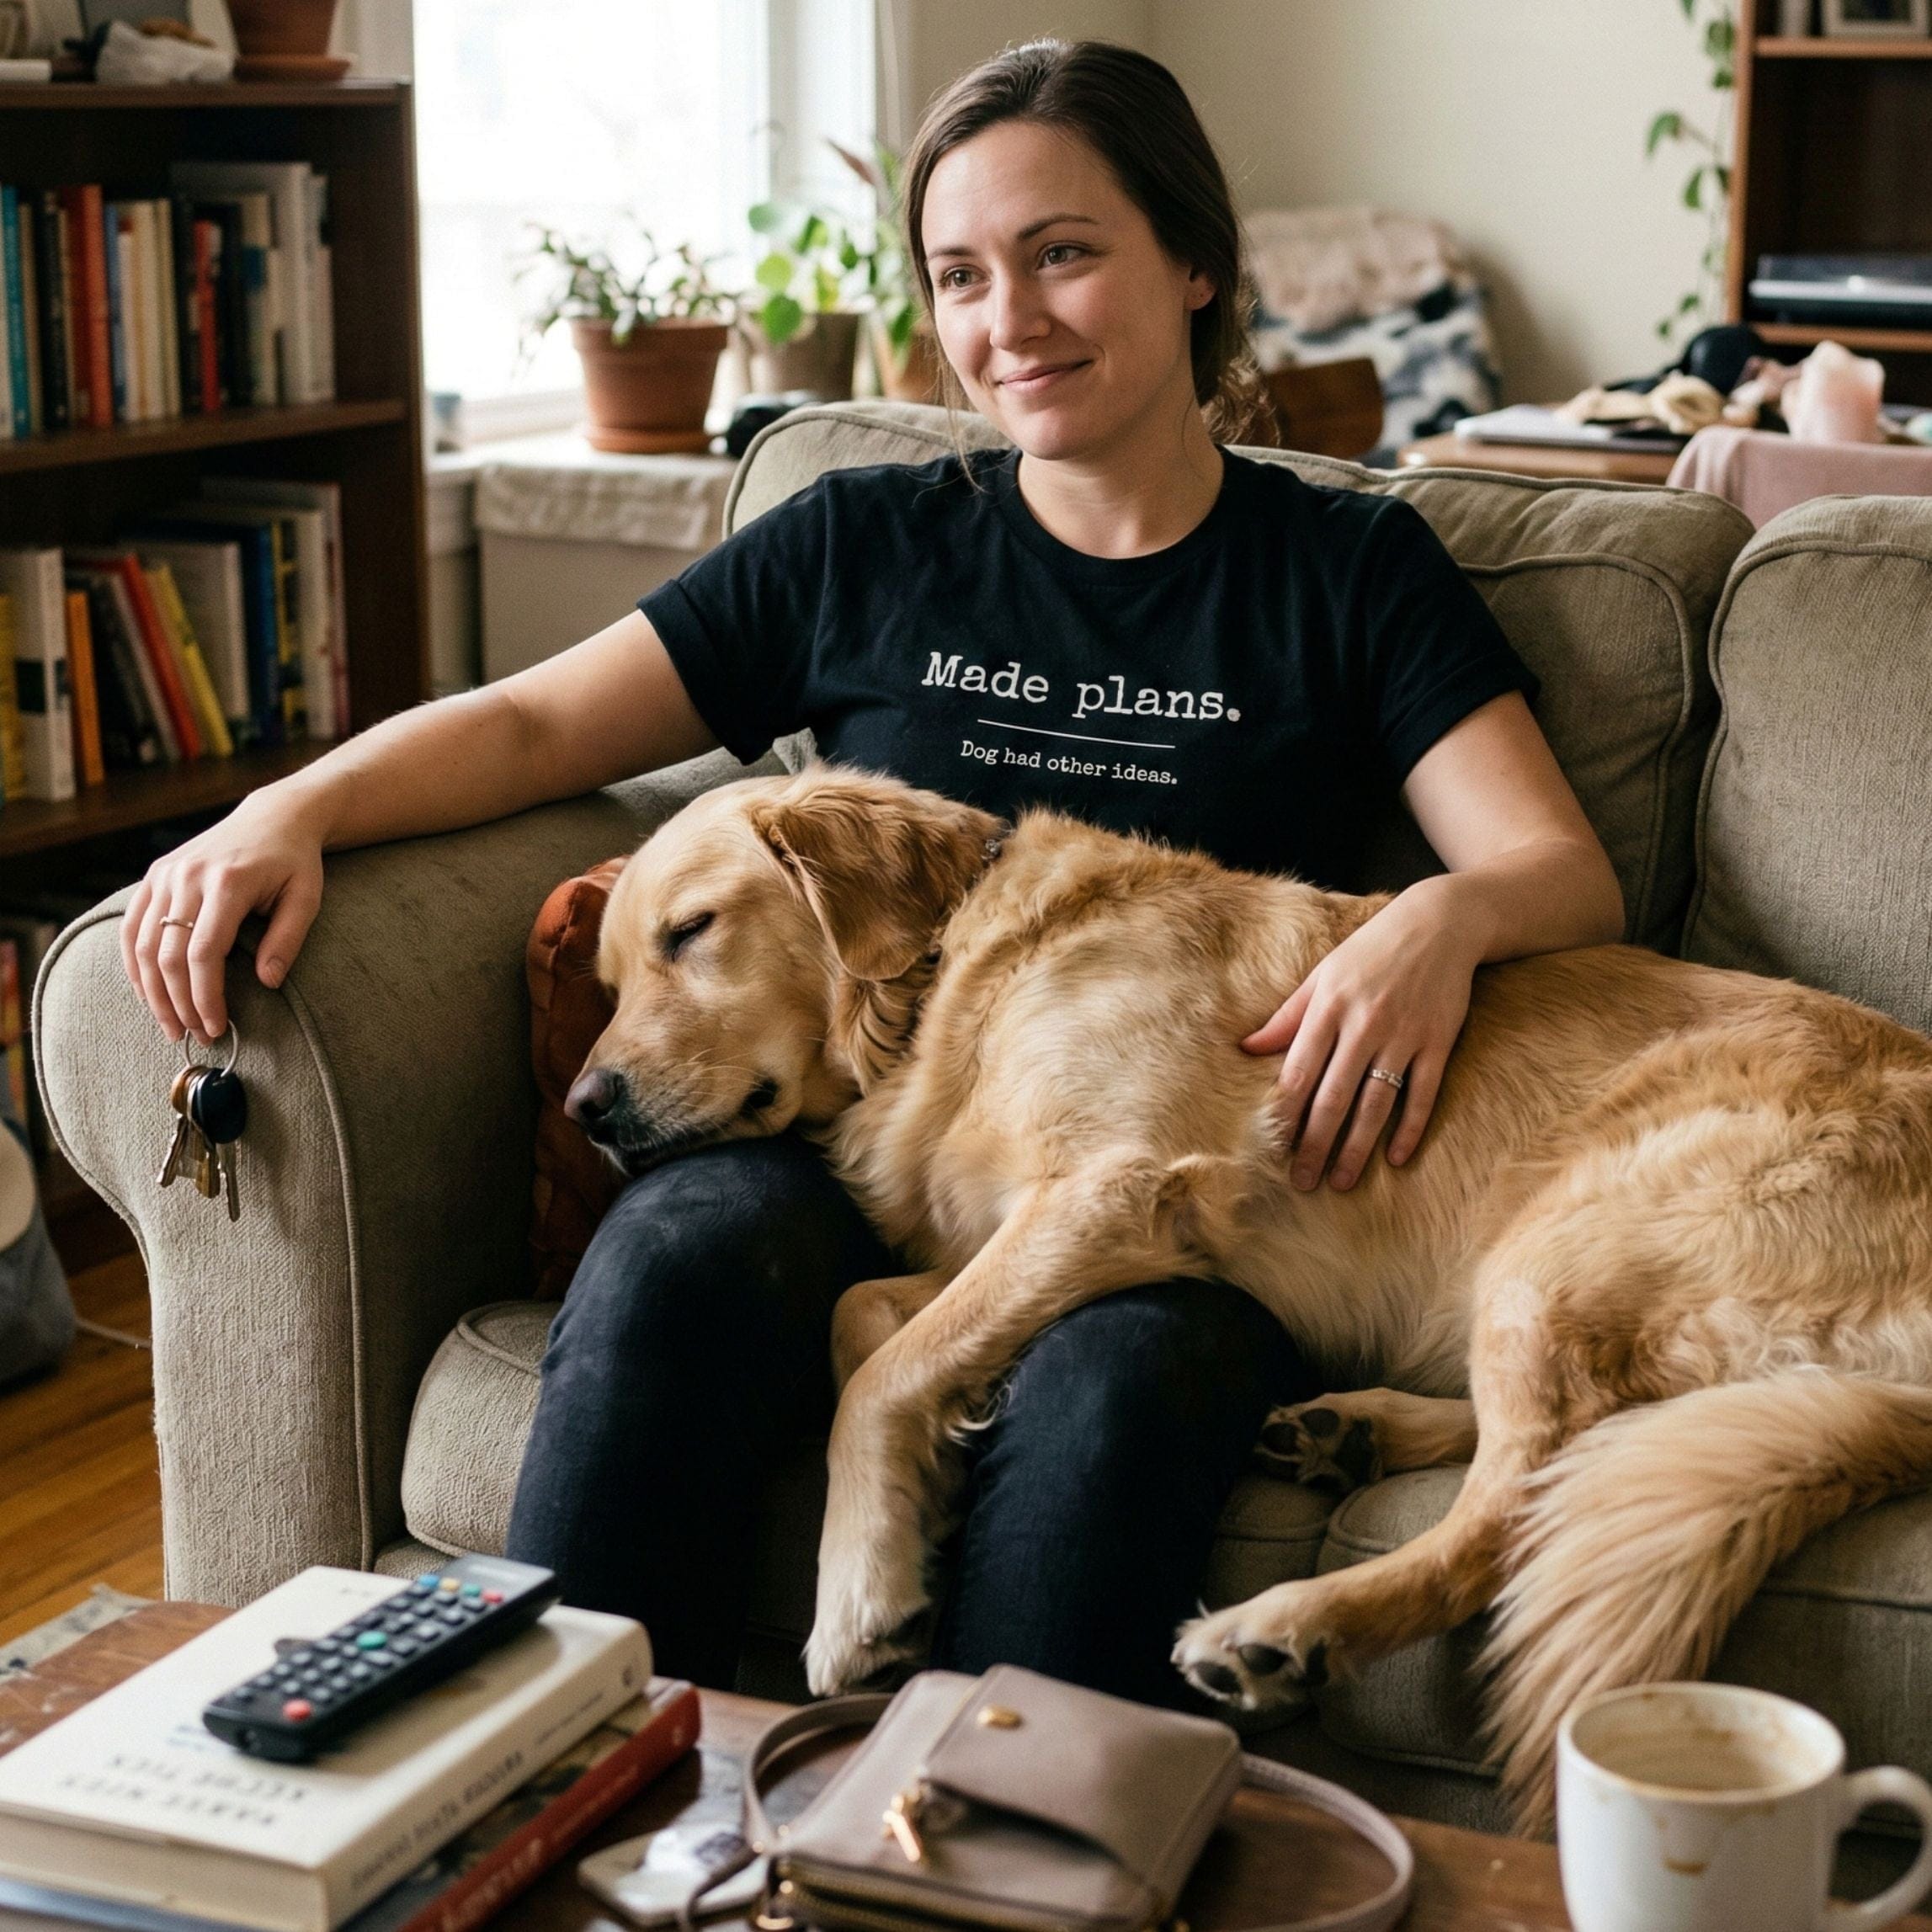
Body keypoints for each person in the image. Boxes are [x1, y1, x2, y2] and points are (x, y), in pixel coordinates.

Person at [120, 40, 1623, 1706]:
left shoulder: (1344, 570)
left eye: (1062, 252)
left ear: (1193, 263)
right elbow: (542, 720)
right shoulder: (861, 542)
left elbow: (1552, 866)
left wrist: (1440, 920)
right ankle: (562, 1783)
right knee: (679, 1252)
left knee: (1118, 1389)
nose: (1010, 320)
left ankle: (992, 1853)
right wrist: (290, 809)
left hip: (1166, 1185)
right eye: (961, 275)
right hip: (850, 1129)